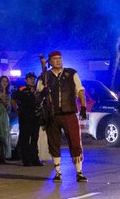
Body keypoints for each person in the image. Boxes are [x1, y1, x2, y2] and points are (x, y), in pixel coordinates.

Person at [37, 51, 88, 182]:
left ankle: (79, 172)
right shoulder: (44, 76)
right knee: (54, 142)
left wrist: (83, 107)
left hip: (69, 113)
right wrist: (43, 92)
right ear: (49, 61)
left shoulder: (71, 73)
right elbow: (37, 96)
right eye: (55, 59)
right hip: (52, 115)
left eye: (59, 58)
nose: (58, 60)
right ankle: (58, 172)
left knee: (75, 142)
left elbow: (80, 90)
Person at [13, 72, 43, 166]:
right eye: (30, 79)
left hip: (35, 117)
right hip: (25, 117)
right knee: (25, 138)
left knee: (34, 139)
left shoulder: (38, 90)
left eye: (33, 79)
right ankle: (26, 160)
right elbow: (13, 100)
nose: (32, 80)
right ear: (26, 80)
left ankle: (35, 159)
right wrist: (17, 111)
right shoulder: (22, 89)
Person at [0, 75, 13, 162]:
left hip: (4, 115)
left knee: (4, 136)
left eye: (6, 81)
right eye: (3, 81)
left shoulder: (8, 94)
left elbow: (8, 106)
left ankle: (3, 156)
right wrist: (2, 91)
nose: (5, 83)